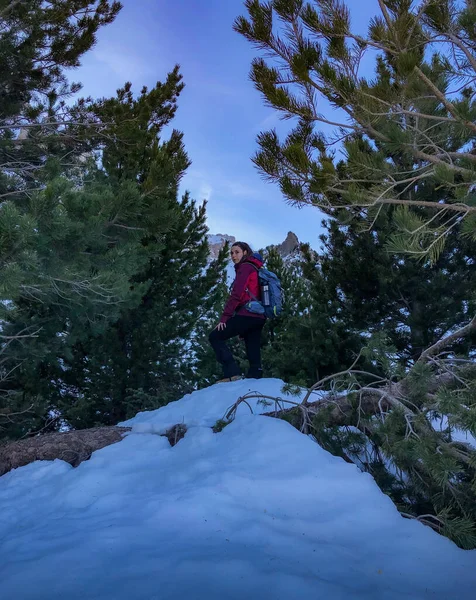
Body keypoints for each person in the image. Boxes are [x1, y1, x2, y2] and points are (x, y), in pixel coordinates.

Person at [209, 241, 266, 382]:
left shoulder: (245, 267)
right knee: (252, 344)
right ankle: (255, 376)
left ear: (245, 252)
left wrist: (224, 318)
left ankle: (231, 373)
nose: (233, 255)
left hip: (248, 314)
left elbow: (237, 294)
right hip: (259, 316)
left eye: (237, 252)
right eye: (231, 253)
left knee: (215, 336)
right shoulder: (254, 267)